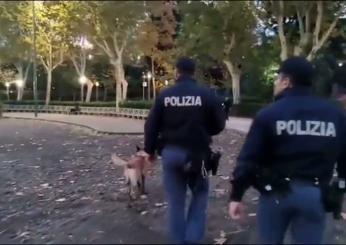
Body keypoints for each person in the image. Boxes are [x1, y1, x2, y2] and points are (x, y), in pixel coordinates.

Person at [228, 56, 346, 244]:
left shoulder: (270, 113)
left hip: (276, 194)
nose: (275, 83)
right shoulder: (335, 114)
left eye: (277, 78)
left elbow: (249, 159)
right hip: (314, 194)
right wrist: (340, 188)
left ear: (286, 81)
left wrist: (236, 195)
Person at [144, 57, 226, 244]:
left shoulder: (165, 95)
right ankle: (193, 239)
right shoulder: (205, 94)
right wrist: (206, 130)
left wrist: (150, 151)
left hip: (171, 153)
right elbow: (219, 124)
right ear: (193, 72)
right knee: (200, 195)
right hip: (198, 155)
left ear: (177, 72)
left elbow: (151, 125)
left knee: (175, 203)